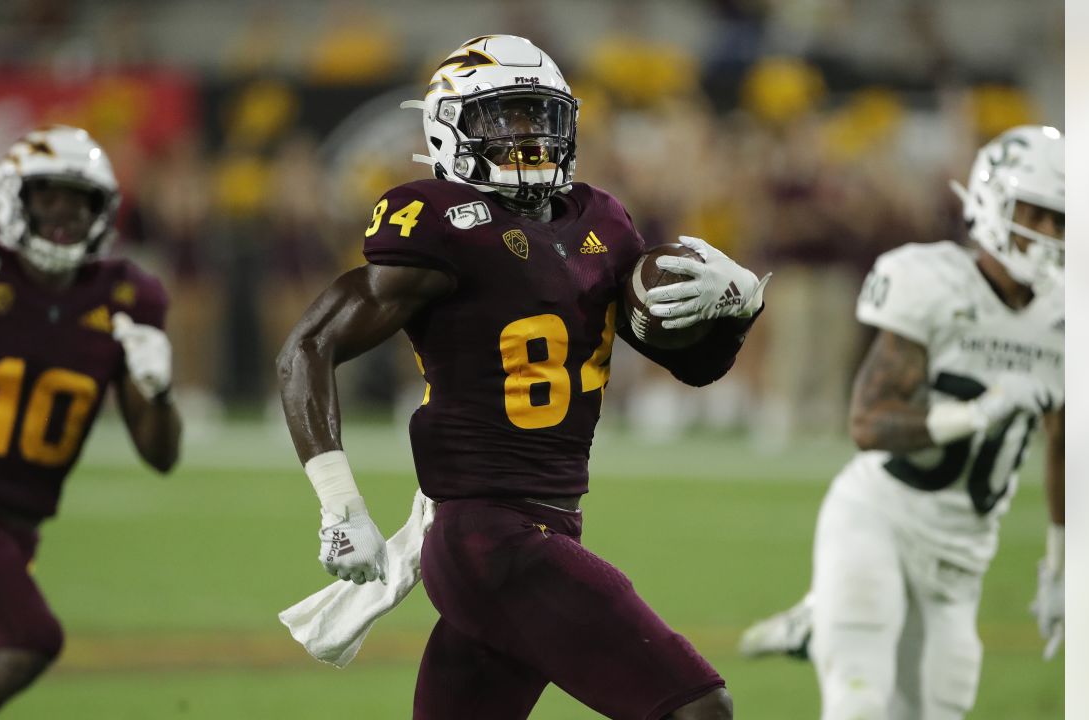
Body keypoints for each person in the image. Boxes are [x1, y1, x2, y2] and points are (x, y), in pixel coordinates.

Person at [277, 35, 767, 720]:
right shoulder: (443, 222)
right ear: (447, 128)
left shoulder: (603, 222)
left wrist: (739, 308)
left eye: (541, 116)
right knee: (698, 709)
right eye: (502, 118)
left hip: (544, 528)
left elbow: (693, 368)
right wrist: (340, 506)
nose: (528, 137)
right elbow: (307, 347)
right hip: (487, 536)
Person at [738, 125, 1065, 720]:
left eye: (1059, 221)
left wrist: (1064, 563)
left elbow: (1067, 446)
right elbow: (867, 421)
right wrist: (976, 412)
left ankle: (821, 618)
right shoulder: (934, 280)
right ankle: (833, 611)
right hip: (877, 520)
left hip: (961, 561)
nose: (1046, 236)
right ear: (994, 203)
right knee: (860, 706)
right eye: (1034, 215)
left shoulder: (1070, 318)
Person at [0, 125, 182, 715]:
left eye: (81, 199)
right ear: (15, 200)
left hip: (17, 525)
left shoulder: (129, 296)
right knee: (28, 638)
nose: (65, 214)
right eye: (49, 197)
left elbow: (161, 456)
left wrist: (157, 389)